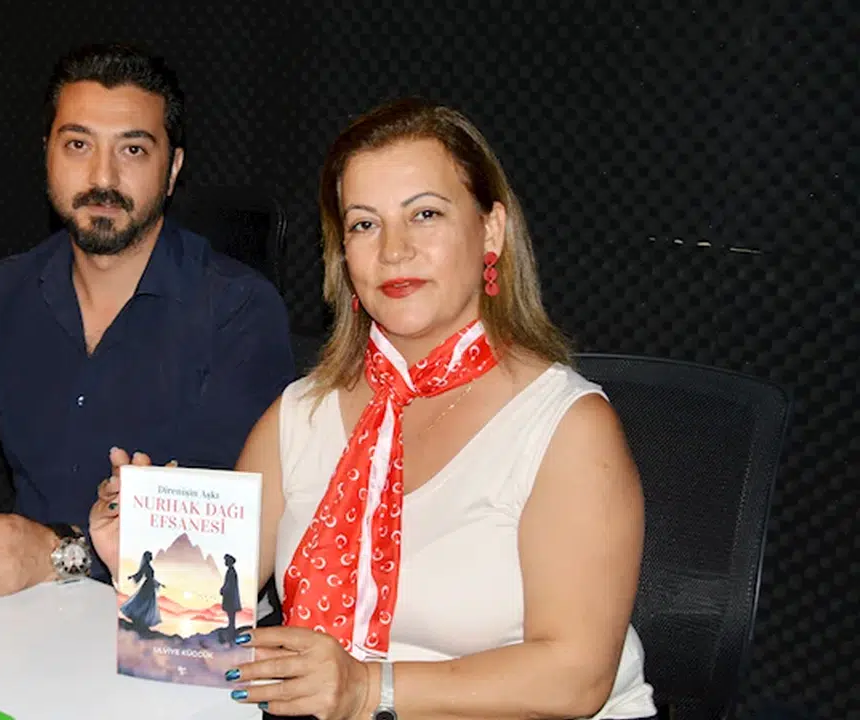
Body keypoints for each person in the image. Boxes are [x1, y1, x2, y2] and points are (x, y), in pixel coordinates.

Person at [91, 98, 656, 720]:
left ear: (491, 230)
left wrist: (367, 688)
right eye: (364, 224)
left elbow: (576, 677)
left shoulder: (566, 427)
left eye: (425, 215)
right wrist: (145, 556)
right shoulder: (300, 415)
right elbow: (202, 624)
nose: (393, 251)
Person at [0, 43, 295, 597]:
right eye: (78, 145)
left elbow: (224, 549)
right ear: (47, 154)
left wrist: (60, 554)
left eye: (133, 150)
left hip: (167, 622)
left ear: (172, 170)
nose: (102, 176)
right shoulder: (4, 294)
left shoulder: (240, 313)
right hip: (27, 610)